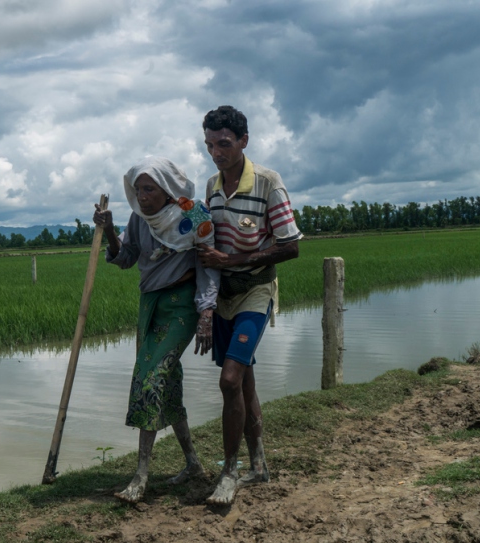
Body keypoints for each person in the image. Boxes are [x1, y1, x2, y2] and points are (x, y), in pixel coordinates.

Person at [93, 155, 220, 503]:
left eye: (149, 188)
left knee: (149, 379)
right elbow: (126, 257)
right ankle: (193, 463)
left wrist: (207, 310)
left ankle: (141, 475)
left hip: (181, 306)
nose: (143, 195)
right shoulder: (139, 219)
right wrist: (109, 231)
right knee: (168, 383)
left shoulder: (195, 214)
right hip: (150, 306)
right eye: (138, 189)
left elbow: (209, 262)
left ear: (167, 189)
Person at [196, 105, 303, 505]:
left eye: (223, 144)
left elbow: (290, 247)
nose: (216, 152)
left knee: (229, 380)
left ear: (243, 141)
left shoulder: (268, 183)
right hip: (223, 296)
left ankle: (230, 472)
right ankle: (259, 465)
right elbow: (206, 244)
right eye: (209, 144)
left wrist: (235, 261)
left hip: (256, 291)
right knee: (244, 381)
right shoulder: (210, 187)